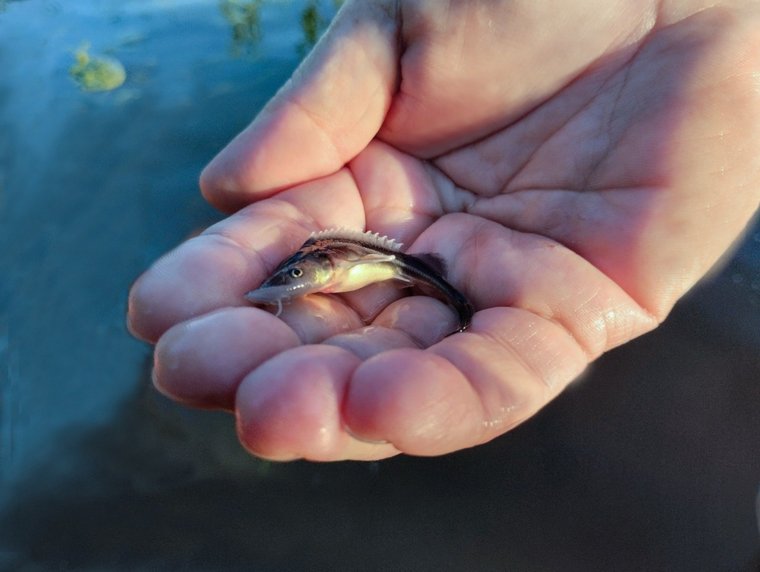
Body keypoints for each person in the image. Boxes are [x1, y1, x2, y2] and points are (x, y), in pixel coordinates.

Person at [127, 0, 760, 461]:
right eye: (294, 276)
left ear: (321, 270)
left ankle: (454, 306)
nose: (292, 280)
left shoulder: (355, 267)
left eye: (296, 274)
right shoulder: (325, 266)